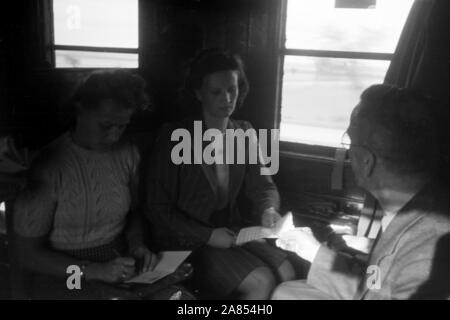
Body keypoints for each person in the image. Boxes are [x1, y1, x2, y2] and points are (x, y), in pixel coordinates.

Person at [272, 84, 450, 300]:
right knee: (286, 292)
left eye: (350, 143)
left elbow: (376, 291)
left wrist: (317, 253)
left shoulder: (430, 253)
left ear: (367, 161)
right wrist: (318, 252)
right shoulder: (416, 204)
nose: (348, 154)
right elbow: (378, 283)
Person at [145, 49, 297, 299]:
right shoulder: (174, 136)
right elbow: (157, 209)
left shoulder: (244, 131)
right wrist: (207, 235)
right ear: (198, 93)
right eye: (216, 92)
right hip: (186, 241)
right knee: (261, 282)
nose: (227, 98)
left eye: (232, 90)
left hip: (233, 231)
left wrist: (268, 209)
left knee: (287, 272)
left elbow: (264, 186)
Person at [12, 70, 157, 299]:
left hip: (115, 261)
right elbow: (26, 254)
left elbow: (133, 214)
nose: (114, 136)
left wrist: (137, 245)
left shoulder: (128, 153)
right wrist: (94, 271)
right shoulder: (51, 165)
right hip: (62, 273)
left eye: (122, 126)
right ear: (80, 109)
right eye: (105, 125)